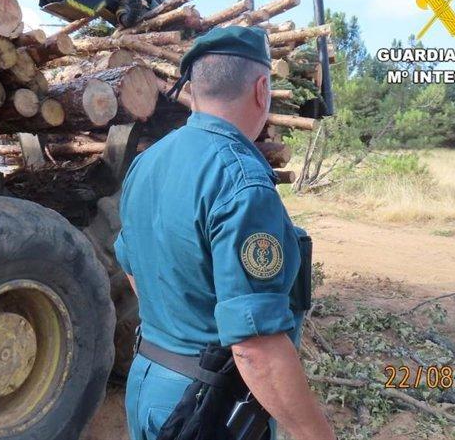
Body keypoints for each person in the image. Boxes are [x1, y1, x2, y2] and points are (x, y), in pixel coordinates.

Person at [115, 26, 336, 440]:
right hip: (206, 407)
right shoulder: (242, 181)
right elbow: (254, 348)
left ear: (193, 92)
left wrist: (178, 324)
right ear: (262, 90)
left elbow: (132, 266)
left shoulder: (147, 162)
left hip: (147, 383)